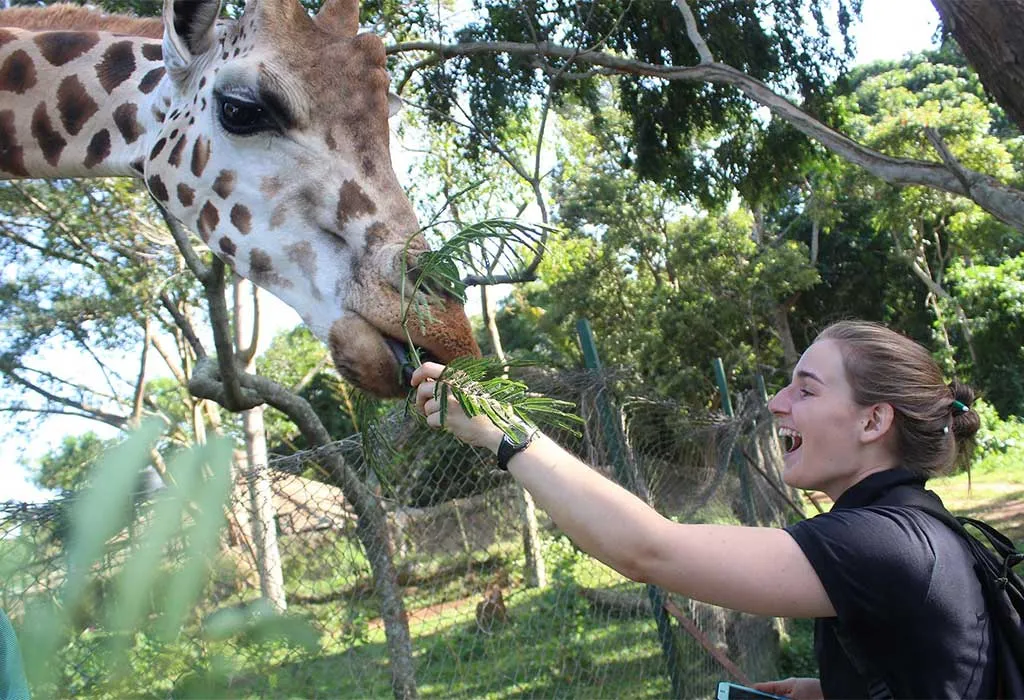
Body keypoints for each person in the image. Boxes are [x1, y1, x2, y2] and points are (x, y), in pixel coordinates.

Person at [412, 320, 993, 699]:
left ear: (874, 420)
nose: (775, 403)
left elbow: (649, 549)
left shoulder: (881, 543)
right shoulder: (920, 524)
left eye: (806, 390)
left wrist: (504, 433)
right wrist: (831, 691)